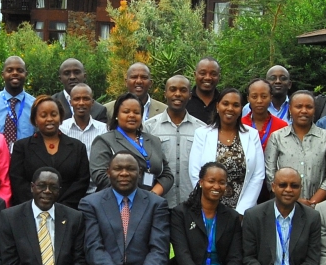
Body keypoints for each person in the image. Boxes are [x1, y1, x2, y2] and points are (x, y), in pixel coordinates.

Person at [188, 88, 266, 212]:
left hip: (243, 210)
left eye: (235, 105)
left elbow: (258, 175)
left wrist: (242, 211)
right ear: (218, 106)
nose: (230, 108)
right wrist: (209, 204)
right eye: (225, 104)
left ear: (241, 109)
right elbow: (195, 172)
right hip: (209, 207)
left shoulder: (252, 135)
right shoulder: (202, 133)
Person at [9, 96, 89, 207]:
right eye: (43, 115)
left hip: (69, 211)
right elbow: (18, 181)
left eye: (54, 114)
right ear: (35, 120)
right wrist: (39, 204)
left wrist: (60, 206)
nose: (49, 119)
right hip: (31, 210)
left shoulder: (77, 147)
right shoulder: (22, 147)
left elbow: (82, 181)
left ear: (61, 118)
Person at [90, 93, 173, 196]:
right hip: (117, 202)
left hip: (152, 202)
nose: (132, 115)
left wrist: (152, 195)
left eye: (136, 112)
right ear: (116, 115)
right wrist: (136, 196)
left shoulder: (153, 140)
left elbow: (167, 175)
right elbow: (100, 176)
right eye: (126, 112)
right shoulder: (104, 141)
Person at [264, 90, 326, 207]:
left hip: (318, 206)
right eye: (298, 106)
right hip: (283, 205)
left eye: (309, 107)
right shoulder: (277, 137)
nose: (304, 111)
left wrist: (312, 203)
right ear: (290, 109)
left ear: (314, 110)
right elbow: (270, 174)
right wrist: (295, 201)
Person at [145, 75, 207, 208]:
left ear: (190, 95)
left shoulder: (202, 129)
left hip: (192, 204)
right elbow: (145, 165)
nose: (177, 94)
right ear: (165, 93)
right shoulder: (149, 127)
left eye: (183, 90)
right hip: (160, 203)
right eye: (172, 89)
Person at [0, 56, 35, 150]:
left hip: (27, 157)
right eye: (9, 70)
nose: (15, 73)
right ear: (3, 74)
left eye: (20, 70)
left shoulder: (35, 105)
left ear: (26, 74)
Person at [58, 83, 107, 167]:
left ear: (92, 102)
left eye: (86, 99)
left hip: (95, 178)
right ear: (71, 102)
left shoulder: (104, 129)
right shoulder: (61, 129)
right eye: (77, 99)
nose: (81, 103)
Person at [239, 79, 289, 151]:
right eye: (254, 97)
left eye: (264, 96)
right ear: (248, 99)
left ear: (271, 98)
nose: (259, 101)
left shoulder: (282, 126)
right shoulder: (240, 125)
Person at [53, 58, 108, 123]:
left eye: (77, 72)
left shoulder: (99, 110)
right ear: (60, 79)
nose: (72, 77)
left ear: (84, 76)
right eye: (67, 73)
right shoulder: (51, 103)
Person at [187, 58, 221, 123]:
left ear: (219, 77)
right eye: (203, 73)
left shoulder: (223, 102)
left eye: (213, 74)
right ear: (195, 75)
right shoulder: (185, 100)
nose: (207, 78)